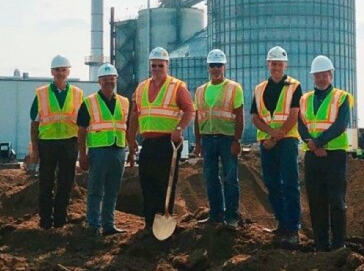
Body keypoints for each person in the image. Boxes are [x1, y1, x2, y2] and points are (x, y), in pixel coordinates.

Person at [126, 47, 195, 232]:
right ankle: (149, 223)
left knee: (166, 183)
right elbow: (134, 115)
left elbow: (190, 110)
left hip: (168, 143)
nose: (156, 69)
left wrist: (179, 128)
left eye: (160, 65)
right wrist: (131, 139)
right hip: (148, 142)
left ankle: (163, 219)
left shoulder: (177, 86)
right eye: (154, 65)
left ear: (167, 66)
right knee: (147, 182)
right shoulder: (141, 88)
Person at [298, 55, 353, 252]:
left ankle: (339, 245)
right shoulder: (304, 99)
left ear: (331, 75)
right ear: (313, 77)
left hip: (334, 156)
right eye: (317, 75)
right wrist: (310, 144)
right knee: (316, 202)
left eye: (324, 75)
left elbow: (340, 125)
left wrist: (319, 142)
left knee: (336, 201)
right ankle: (321, 245)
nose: (321, 79)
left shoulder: (342, 97)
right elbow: (301, 125)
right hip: (313, 156)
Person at [251, 46, 303, 248]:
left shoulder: (294, 86)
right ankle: (282, 223)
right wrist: (271, 136)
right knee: (272, 184)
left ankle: (293, 228)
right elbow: (255, 117)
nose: (276, 67)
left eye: (279, 64)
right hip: (267, 143)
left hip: (287, 141)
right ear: (268, 64)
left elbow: (294, 114)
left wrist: (276, 136)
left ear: (285, 65)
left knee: (290, 184)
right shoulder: (259, 89)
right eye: (273, 64)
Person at [30, 55, 84, 230]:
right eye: (57, 70)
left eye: (63, 69)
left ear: (68, 71)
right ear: (52, 72)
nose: (60, 73)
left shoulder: (77, 94)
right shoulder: (41, 94)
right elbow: (34, 123)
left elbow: (83, 123)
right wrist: (35, 149)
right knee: (45, 183)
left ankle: (60, 220)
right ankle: (45, 221)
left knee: (66, 183)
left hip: (69, 143)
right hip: (47, 144)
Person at [192, 49, 244, 228]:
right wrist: (197, 143)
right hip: (207, 139)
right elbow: (197, 119)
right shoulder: (200, 91)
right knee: (210, 177)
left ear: (224, 67)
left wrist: (237, 140)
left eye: (219, 65)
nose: (215, 69)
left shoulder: (234, 88)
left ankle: (231, 216)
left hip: (227, 139)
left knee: (230, 177)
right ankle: (216, 215)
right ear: (208, 67)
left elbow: (239, 116)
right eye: (213, 66)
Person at [78, 63, 130, 237]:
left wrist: (130, 148)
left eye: (111, 79)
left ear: (116, 79)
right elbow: (82, 130)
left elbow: (126, 126)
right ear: (99, 81)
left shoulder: (124, 102)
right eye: (105, 79)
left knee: (113, 190)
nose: (108, 82)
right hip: (98, 151)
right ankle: (93, 224)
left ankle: (108, 224)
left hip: (118, 149)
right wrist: (82, 154)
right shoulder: (89, 102)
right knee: (95, 189)